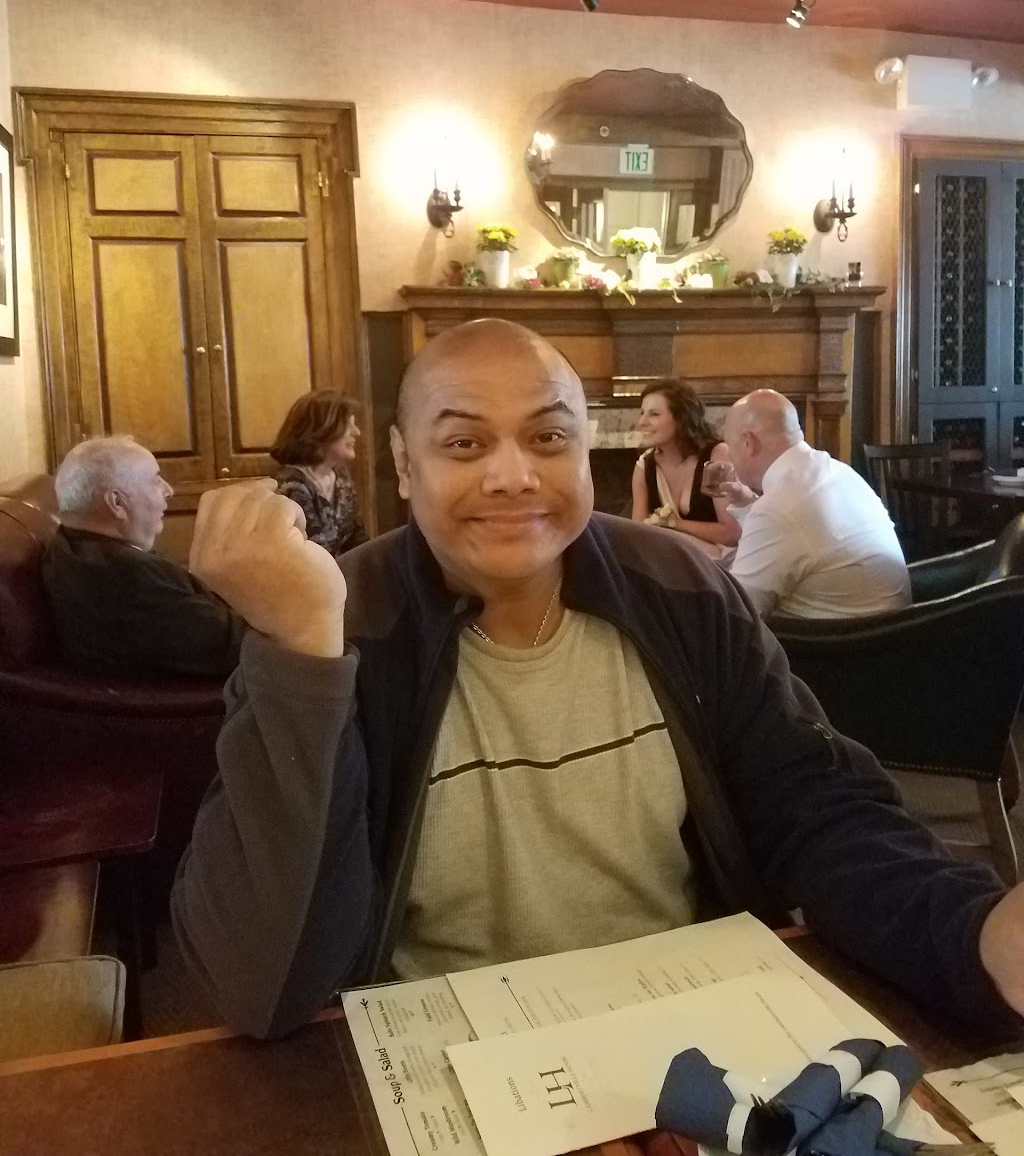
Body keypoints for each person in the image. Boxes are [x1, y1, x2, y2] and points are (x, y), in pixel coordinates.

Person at [172, 319, 1024, 1042]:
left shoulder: (679, 589)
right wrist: (299, 655)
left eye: (548, 438)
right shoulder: (341, 624)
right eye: (464, 443)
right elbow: (261, 984)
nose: (514, 475)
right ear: (402, 463)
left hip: (685, 1036)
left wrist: (976, 932)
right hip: (446, 1053)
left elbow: (819, 805)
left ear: (585, 451)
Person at [41, 435, 244, 675]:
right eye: (155, 480)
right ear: (117, 502)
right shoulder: (129, 578)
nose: (168, 490)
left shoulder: (71, 545)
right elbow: (241, 648)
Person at [719, 390, 912, 619]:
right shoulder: (838, 471)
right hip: (892, 628)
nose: (730, 457)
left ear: (748, 443)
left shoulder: (780, 506)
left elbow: (737, 614)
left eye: (729, 446)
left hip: (834, 638)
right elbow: (798, 537)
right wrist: (747, 505)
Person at [630, 380, 740, 552]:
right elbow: (637, 534)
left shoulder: (717, 457)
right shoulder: (644, 466)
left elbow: (732, 533)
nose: (642, 422)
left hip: (722, 562)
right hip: (669, 559)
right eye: (642, 413)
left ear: (681, 418)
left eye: (654, 414)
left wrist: (673, 524)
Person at [270, 389, 368, 561]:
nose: (356, 432)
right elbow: (308, 556)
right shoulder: (289, 485)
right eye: (347, 425)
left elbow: (357, 539)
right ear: (321, 430)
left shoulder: (341, 477)